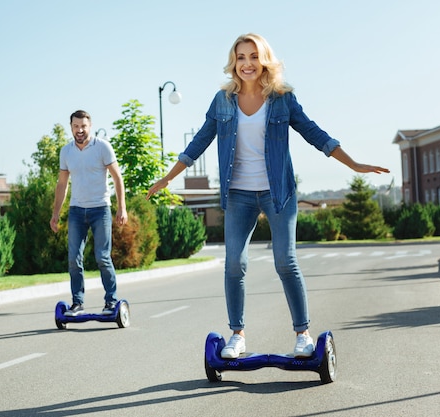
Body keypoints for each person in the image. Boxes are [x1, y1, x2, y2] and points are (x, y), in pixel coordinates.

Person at [146, 33, 389, 358]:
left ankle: (303, 334)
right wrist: (167, 178)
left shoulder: (282, 99)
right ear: (234, 62)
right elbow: (199, 142)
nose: (247, 63)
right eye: (241, 57)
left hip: (278, 192)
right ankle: (237, 335)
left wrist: (354, 164)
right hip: (238, 194)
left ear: (264, 60)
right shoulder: (222, 100)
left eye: (253, 56)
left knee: (285, 262)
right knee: (234, 263)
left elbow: (315, 133)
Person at [51, 110, 128, 317]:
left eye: (83, 126)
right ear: (71, 127)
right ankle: (77, 303)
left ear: (90, 126)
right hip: (76, 211)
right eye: (76, 126)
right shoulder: (66, 152)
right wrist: (56, 213)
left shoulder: (102, 147)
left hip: (100, 209)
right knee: (74, 259)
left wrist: (122, 207)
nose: (80, 130)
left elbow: (117, 178)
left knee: (102, 257)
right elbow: (62, 184)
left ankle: (110, 301)